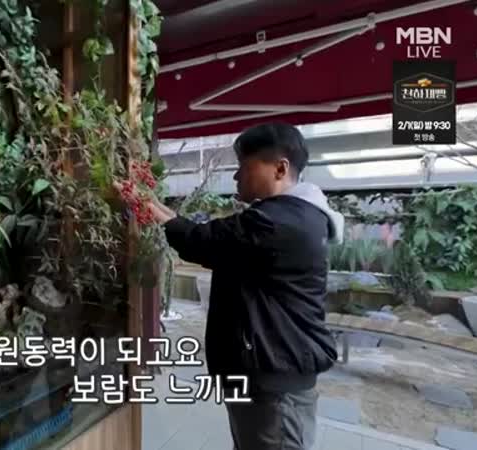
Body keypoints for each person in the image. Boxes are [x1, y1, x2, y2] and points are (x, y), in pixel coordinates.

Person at [125, 122, 344, 450]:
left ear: (280, 168)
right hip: (273, 374)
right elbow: (208, 237)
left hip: (274, 384)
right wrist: (154, 206)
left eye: (244, 165)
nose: (237, 176)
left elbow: (204, 241)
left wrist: (148, 206)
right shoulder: (295, 216)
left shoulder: (277, 221)